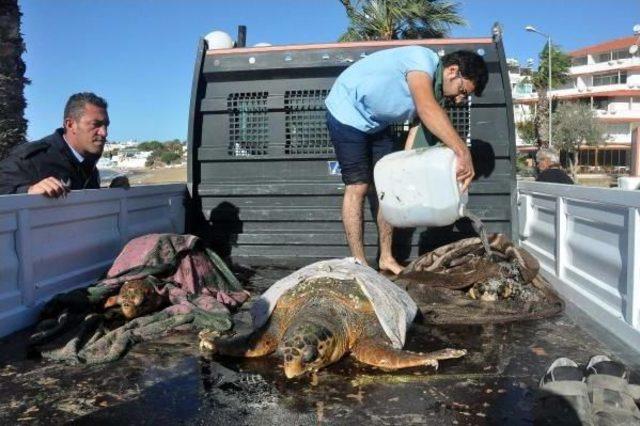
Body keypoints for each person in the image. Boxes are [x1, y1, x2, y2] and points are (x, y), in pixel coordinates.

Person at [325, 46, 488, 275]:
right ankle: (359, 263)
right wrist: (463, 152)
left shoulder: (438, 94)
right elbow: (426, 108)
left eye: (465, 96)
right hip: (347, 112)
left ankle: (386, 258)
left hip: (377, 123)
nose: (460, 100)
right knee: (358, 186)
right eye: (462, 90)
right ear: (453, 71)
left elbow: (417, 132)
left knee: (387, 185)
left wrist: (409, 168)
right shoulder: (421, 61)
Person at [0, 92, 112, 197]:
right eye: (95, 124)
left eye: (105, 125)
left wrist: (113, 192)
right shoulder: (33, 159)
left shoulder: (88, 163)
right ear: (70, 124)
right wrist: (28, 192)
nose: (104, 132)